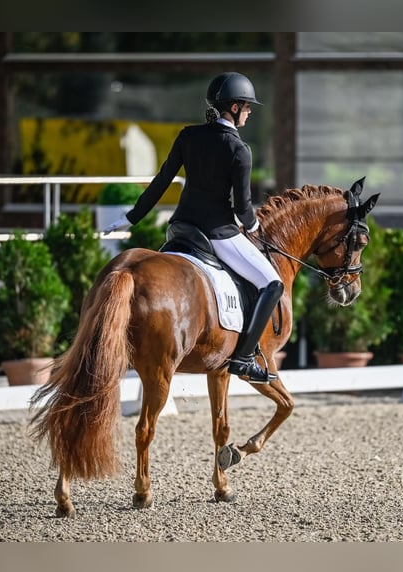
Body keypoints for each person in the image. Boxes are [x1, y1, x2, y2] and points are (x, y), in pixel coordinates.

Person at [102, 72, 284, 383]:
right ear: (235, 107)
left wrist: (132, 217)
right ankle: (243, 359)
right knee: (273, 283)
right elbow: (242, 208)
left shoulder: (188, 136)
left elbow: (161, 182)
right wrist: (254, 228)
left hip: (181, 228)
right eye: (247, 107)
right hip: (218, 233)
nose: (250, 112)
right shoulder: (240, 149)